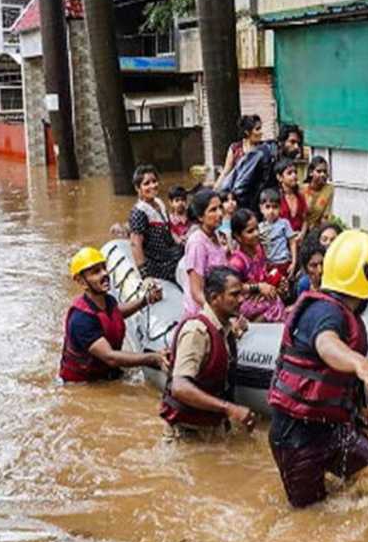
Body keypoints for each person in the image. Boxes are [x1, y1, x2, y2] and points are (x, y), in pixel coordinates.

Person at [267, 230, 368, 508]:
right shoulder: (324, 312)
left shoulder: (344, 312)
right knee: (311, 514)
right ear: (366, 275)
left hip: (333, 428)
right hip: (296, 435)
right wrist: (361, 363)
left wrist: (360, 404)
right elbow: (326, 344)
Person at [162, 266, 257, 437]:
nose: (242, 299)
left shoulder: (225, 328)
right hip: (186, 432)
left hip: (211, 427)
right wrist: (229, 408)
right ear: (214, 298)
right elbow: (179, 387)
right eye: (235, 295)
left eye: (242, 293)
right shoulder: (196, 332)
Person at [59, 247, 168, 383]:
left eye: (104, 268)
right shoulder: (81, 320)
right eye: (96, 272)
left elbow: (114, 314)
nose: (104, 274)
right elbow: (110, 357)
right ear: (81, 282)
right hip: (86, 384)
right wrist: (153, 358)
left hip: (106, 374)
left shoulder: (107, 300)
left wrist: (145, 300)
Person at [220, 124, 304, 211]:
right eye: (292, 142)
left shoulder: (283, 160)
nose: (296, 147)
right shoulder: (262, 154)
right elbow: (240, 187)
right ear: (281, 142)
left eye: (298, 143)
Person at [228, 208, 287, 323]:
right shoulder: (237, 261)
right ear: (238, 236)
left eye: (257, 229)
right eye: (250, 231)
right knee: (273, 306)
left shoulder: (259, 250)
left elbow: (264, 273)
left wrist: (278, 282)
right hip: (246, 301)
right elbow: (233, 287)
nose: (256, 234)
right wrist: (258, 288)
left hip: (262, 294)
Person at [128, 164, 183, 283]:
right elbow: (135, 244)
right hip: (158, 265)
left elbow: (168, 229)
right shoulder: (139, 212)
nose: (152, 186)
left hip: (170, 255)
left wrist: (179, 240)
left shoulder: (159, 202)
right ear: (138, 188)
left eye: (154, 181)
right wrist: (145, 276)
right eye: (146, 183)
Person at [179, 189, 228, 319]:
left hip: (219, 304)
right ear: (201, 217)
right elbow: (196, 292)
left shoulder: (216, 235)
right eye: (213, 210)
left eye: (220, 208)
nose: (220, 213)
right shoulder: (197, 243)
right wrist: (218, 314)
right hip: (202, 314)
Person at [258, 188, 297, 278]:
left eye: (275, 207)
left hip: (283, 263)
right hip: (268, 265)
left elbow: (292, 242)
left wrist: (294, 262)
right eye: (267, 207)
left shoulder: (284, 223)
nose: (271, 211)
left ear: (280, 208)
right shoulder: (259, 228)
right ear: (261, 208)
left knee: (284, 287)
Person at [216, 114, 263, 189]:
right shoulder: (235, 149)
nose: (261, 132)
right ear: (247, 132)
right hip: (238, 190)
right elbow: (226, 172)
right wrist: (215, 190)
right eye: (257, 129)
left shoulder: (263, 149)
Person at [274, 157, 308, 235]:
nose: (294, 176)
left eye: (295, 172)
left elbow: (305, 220)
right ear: (279, 177)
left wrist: (301, 235)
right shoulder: (276, 198)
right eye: (289, 173)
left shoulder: (300, 197)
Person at [302, 155, 334, 230]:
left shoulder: (329, 189)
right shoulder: (302, 189)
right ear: (311, 172)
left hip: (317, 230)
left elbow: (326, 215)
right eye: (319, 171)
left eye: (325, 172)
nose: (323, 174)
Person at [293, 232, 324, 300]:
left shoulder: (332, 283)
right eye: (314, 265)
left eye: (322, 263)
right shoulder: (304, 284)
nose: (320, 270)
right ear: (305, 268)